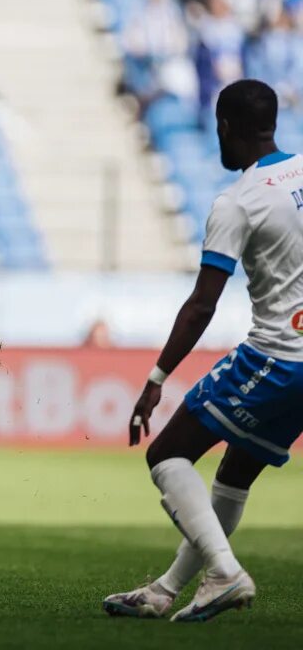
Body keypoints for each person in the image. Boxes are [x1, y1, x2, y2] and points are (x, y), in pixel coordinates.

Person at [107, 79, 299, 622]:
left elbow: (201, 305)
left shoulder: (238, 201)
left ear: (225, 127)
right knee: (234, 476)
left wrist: (156, 376)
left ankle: (225, 573)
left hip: (276, 358)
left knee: (165, 455)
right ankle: (167, 589)